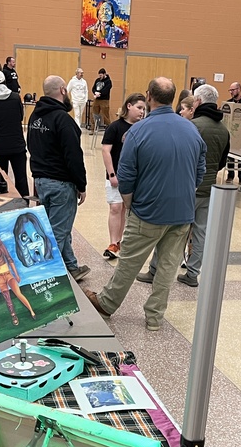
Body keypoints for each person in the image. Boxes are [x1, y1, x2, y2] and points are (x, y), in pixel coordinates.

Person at [83, 77, 206, 332]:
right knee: (168, 267)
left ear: (149, 95)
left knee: (129, 262)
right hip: (182, 213)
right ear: (173, 98)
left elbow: (125, 178)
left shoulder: (138, 131)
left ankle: (106, 303)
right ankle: (154, 316)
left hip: (148, 211)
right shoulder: (191, 129)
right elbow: (200, 169)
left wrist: (131, 203)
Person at [139, 84, 229, 288]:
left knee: (170, 229)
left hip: (187, 187)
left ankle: (155, 270)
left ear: (197, 102)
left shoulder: (191, 126)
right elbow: (222, 162)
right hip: (209, 189)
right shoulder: (223, 130)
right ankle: (192, 273)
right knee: (201, 232)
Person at [26, 75, 90, 281]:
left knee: (58, 227)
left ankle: (72, 267)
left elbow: (31, 146)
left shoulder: (35, 117)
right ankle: (43, 277)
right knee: (56, 233)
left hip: (41, 181)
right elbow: (73, 156)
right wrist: (82, 184)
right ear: (63, 90)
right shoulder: (63, 120)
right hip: (61, 184)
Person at [100, 92, 147, 259]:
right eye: (139, 107)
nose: (142, 112)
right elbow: (106, 151)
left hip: (134, 177)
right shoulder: (115, 127)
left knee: (125, 210)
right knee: (115, 207)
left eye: (144, 109)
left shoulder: (143, 127)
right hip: (115, 176)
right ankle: (113, 243)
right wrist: (112, 174)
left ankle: (121, 242)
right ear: (129, 106)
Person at [0, 69, 30, 197]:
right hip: (17, 146)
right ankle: (24, 206)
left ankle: (3, 209)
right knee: (21, 180)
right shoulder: (15, 98)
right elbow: (20, 116)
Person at [225, 82, 241, 185]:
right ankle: (230, 175)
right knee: (230, 155)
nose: (231, 92)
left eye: (233, 90)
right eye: (230, 90)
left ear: (239, 89)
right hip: (231, 133)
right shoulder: (229, 102)